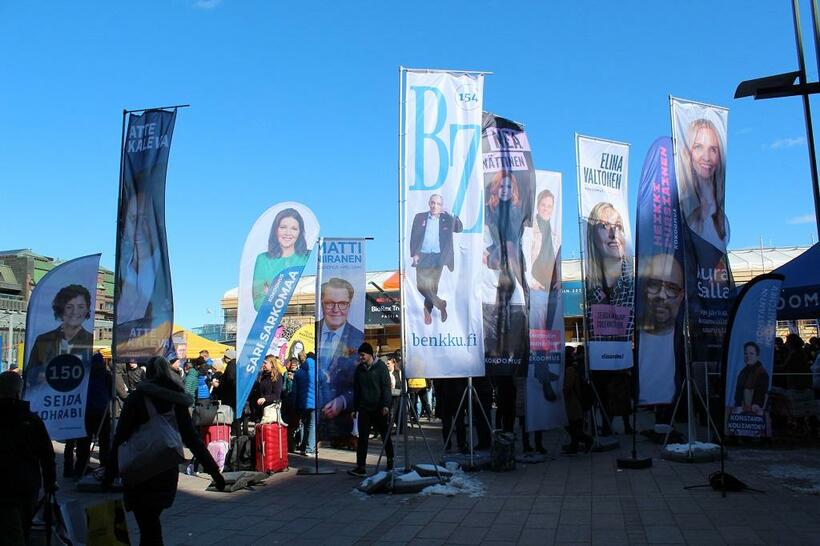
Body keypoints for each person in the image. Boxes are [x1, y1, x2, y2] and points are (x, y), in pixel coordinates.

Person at [106, 357, 225, 546]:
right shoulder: (176, 400)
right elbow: (192, 439)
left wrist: (109, 473)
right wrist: (214, 472)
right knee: (151, 524)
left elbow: (120, 437)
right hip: (165, 468)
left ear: (148, 373)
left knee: (148, 526)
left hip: (139, 468)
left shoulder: (137, 398)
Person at [0, 370, 56, 545]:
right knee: (22, 529)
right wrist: (50, 482)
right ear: (19, 391)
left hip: (3, 487)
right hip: (27, 485)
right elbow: (47, 454)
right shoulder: (32, 420)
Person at [115, 191, 173, 359]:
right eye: (134, 220)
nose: (139, 228)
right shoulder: (122, 272)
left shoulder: (160, 275)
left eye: (145, 219)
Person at [316, 277, 364, 445]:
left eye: (342, 303)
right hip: (315, 418)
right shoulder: (310, 334)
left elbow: (360, 383)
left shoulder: (359, 339)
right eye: (330, 303)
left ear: (349, 304)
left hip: (343, 422)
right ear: (322, 303)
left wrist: (343, 401)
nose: (336, 309)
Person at [484, 172, 527, 354]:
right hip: (498, 255)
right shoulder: (489, 210)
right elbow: (489, 235)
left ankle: (505, 338)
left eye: (509, 186)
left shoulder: (516, 210)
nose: (505, 190)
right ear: (495, 188)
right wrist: (487, 250)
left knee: (506, 297)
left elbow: (514, 239)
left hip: (511, 257)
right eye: (501, 186)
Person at [25, 283, 94, 390]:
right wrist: (38, 377)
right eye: (69, 307)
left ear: (87, 310)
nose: (75, 312)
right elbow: (29, 375)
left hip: (77, 402)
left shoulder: (91, 341)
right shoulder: (43, 340)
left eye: (81, 307)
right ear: (61, 310)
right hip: (47, 400)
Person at [637, 254, 685, 405]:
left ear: (681, 296)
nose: (662, 295)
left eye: (672, 288)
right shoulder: (633, 339)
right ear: (644, 289)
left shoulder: (685, 347)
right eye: (654, 284)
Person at [409, 194, 464, 325]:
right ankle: (441, 304)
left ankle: (427, 311)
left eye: (438, 204)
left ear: (442, 206)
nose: (435, 206)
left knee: (432, 287)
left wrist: (451, 213)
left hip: (438, 258)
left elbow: (459, 228)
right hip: (423, 256)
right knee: (421, 287)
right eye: (433, 203)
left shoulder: (447, 218)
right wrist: (414, 254)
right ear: (429, 203)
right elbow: (413, 236)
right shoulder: (420, 217)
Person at [677, 118, 728, 251]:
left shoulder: (720, 214)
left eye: (713, 149)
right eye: (698, 147)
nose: (706, 157)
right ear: (688, 152)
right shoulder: (679, 207)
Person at [585, 202, 634, 339]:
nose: (614, 234)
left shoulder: (636, 287)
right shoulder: (589, 290)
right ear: (592, 235)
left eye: (618, 226)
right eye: (604, 226)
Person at [348, 343, 393, 477]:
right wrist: (354, 408)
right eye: (360, 355)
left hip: (379, 408)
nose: (361, 357)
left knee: (385, 435)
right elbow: (357, 390)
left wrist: (386, 405)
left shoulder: (381, 368)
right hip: (364, 408)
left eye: (363, 355)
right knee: (363, 438)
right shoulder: (359, 370)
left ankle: (391, 460)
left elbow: (386, 387)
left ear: (370, 355)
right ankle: (361, 466)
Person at [252, 208, 310, 311]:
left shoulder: (307, 256)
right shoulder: (263, 259)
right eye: (283, 227)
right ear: (276, 230)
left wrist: (271, 294)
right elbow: (258, 301)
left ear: (300, 232)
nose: (288, 233)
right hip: (272, 320)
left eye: (294, 228)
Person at [71, 352, 113, 479]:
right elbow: (110, 392)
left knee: (84, 441)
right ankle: (105, 465)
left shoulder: (85, 375)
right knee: (104, 441)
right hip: (102, 411)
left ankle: (81, 467)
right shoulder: (106, 375)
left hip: (87, 411)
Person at [527, 189, 561, 331]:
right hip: (538, 288)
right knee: (537, 332)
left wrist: (559, 279)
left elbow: (556, 257)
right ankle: (536, 354)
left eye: (549, 206)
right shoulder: (529, 228)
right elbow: (524, 256)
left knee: (550, 331)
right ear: (537, 206)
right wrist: (530, 280)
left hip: (553, 289)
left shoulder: (555, 232)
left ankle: (546, 354)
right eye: (543, 205)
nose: (546, 209)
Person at [562, 357, 592, 454]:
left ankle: (587, 440)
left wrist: (562, 393)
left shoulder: (569, 370)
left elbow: (568, 386)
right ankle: (574, 445)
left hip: (573, 402)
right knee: (572, 425)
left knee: (572, 425)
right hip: (572, 402)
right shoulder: (571, 369)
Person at [732, 342, 770, 414]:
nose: (748, 356)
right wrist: (738, 405)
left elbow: (761, 391)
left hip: (755, 410)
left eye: (751, 353)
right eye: (746, 353)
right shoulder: (743, 372)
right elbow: (738, 390)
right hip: (743, 409)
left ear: (757, 356)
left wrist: (755, 405)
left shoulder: (762, 373)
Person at [292, 352, 317, 455]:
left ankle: (302, 447)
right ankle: (310, 448)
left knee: (303, 424)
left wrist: (294, 404)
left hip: (302, 403)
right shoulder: (317, 371)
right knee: (312, 425)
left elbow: (294, 392)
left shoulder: (298, 372)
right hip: (315, 402)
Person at [252, 355, 283, 421]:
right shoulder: (262, 375)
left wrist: (265, 398)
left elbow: (276, 395)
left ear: (272, 364)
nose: (263, 365)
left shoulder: (277, 376)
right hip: (260, 409)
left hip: (270, 409)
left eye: (265, 363)